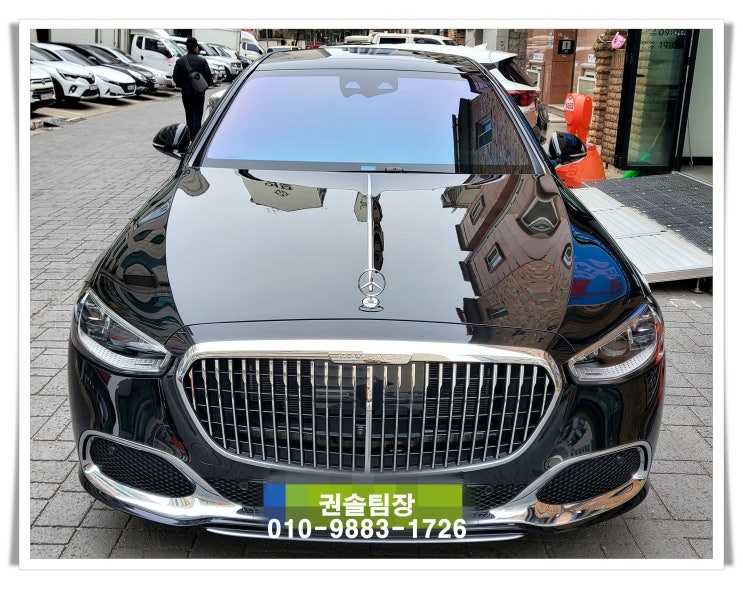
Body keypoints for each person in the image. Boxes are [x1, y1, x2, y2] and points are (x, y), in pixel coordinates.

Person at [172, 37, 213, 140]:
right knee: (197, 116)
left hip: (186, 94)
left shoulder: (180, 62)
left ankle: (190, 138)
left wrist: (184, 85)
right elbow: (209, 78)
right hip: (199, 94)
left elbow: (175, 78)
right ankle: (196, 140)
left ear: (186, 48)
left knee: (189, 116)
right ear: (196, 47)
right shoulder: (202, 61)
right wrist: (203, 87)